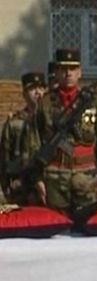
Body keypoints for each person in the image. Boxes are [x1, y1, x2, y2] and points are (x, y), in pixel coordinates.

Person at [29, 48, 97, 214]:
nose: (68, 73)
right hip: (54, 176)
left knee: (88, 227)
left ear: (80, 72)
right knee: (57, 229)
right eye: (63, 69)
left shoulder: (93, 103)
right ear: (56, 72)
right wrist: (37, 178)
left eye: (73, 69)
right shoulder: (44, 104)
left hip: (87, 176)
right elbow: (33, 143)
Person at [0, 72, 46, 205]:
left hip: (46, 183)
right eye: (32, 89)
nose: (38, 93)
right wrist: (6, 185)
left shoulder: (50, 122)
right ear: (24, 94)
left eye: (41, 88)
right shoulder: (14, 123)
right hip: (21, 185)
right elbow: (4, 157)